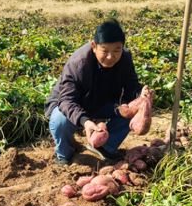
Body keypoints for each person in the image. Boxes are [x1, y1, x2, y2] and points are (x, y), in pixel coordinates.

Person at [44, 18, 154, 165]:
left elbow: (130, 87)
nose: (110, 57)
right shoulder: (78, 63)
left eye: (116, 50)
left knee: (130, 109)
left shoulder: (125, 58)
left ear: (123, 47)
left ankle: (105, 147)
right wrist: (86, 122)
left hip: (103, 103)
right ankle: (64, 153)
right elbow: (67, 101)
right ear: (94, 46)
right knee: (60, 120)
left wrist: (141, 94)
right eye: (105, 51)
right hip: (73, 103)